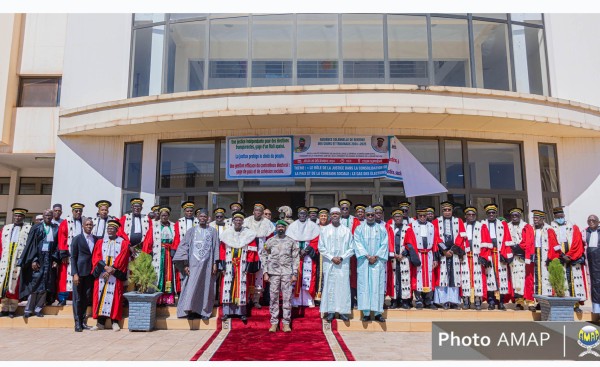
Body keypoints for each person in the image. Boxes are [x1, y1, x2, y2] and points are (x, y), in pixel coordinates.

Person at [173, 208, 219, 320]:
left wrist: (215, 263)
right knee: (191, 287)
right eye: (201, 216)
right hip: (193, 265)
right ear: (198, 218)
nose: (203, 218)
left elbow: (215, 247)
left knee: (206, 287)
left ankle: (204, 312)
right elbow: (183, 247)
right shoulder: (191, 231)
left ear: (208, 218)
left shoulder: (213, 231)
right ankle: (191, 311)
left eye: (205, 216)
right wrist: (185, 265)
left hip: (207, 265)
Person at [18, 209, 59, 318]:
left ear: (52, 216)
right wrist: (33, 259)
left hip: (49, 259)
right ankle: (28, 310)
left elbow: (57, 245)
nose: (48, 217)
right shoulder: (36, 228)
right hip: (38, 259)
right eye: (46, 215)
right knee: (35, 284)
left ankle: (38, 309)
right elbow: (31, 245)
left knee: (45, 285)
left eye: (50, 215)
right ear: (43, 216)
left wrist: (55, 259)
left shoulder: (55, 228)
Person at [219, 212, 260, 322]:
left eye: (240, 220)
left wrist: (248, 265)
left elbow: (252, 250)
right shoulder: (226, 234)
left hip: (242, 264)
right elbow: (222, 250)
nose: (238, 222)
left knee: (241, 287)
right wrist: (222, 266)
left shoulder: (249, 234)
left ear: (242, 222)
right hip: (229, 264)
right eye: (236, 220)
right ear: (233, 221)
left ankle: (241, 312)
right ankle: (226, 312)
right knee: (228, 287)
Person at [90, 220, 129, 331]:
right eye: (109, 229)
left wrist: (112, 269)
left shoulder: (123, 242)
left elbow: (123, 258)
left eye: (113, 229)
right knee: (100, 296)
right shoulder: (100, 242)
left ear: (117, 230)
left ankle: (115, 322)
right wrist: (105, 268)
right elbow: (96, 257)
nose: (110, 230)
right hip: (102, 272)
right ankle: (100, 323)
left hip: (115, 274)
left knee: (115, 297)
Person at [262, 220, 299, 332]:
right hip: (273, 273)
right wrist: (265, 272)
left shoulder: (291, 241)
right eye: (278, 226)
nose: (280, 228)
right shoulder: (270, 241)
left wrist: (295, 273)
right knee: (273, 298)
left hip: (287, 273)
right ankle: (274, 323)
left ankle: (286, 323)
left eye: (282, 227)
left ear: (285, 228)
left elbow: (296, 258)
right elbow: (264, 255)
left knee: (287, 298)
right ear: (276, 228)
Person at [318, 207, 354, 322]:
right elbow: (321, 247)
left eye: (337, 214)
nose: (335, 216)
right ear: (330, 215)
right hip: (329, 263)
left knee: (343, 287)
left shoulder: (346, 230)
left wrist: (342, 257)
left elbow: (352, 248)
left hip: (343, 264)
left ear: (340, 215)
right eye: (333, 214)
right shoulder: (324, 230)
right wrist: (331, 257)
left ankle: (343, 311)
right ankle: (331, 311)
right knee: (330, 286)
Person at [354, 206, 389, 322]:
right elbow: (357, 244)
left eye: (372, 215)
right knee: (364, 286)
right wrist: (367, 256)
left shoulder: (382, 228)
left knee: (377, 286)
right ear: (364, 216)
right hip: (364, 261)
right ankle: (366, 312)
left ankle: (378, 312)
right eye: (368, 215)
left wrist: (376, 256)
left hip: (377, 262)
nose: (370, 217)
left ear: (375, 216)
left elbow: (385, 244)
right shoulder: (359, 229)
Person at [550, 207, 587, 313]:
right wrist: (561, 255)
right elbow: (552, 243)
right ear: (554, 217)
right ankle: (563, 303)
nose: (560, 218)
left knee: (574, 281)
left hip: (573, 259)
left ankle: (576, 304)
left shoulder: (573, 226)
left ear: (564, 216)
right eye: (558, 217)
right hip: (560, 259)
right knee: (561, 280)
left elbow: (577, 242)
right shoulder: (551, 228)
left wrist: (570, 256)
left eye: (561, 216)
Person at [142, 206, 181, 305]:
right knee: (159, 274)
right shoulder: (154, 226)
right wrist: (147, 254)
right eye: (162, 215)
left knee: (169, 274)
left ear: (168, 216)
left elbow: (177, 239)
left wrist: (174, 250)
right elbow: (148, 240)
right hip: (158, 253)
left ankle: (168, 298)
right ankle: (158, 297)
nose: (164, 217)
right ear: (160, 215)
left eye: (166, 215)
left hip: (170, 253)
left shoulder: (173, 226)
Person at [479, 204, 513, 311]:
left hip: (500, 253)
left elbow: (507, 238)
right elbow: (480, 240)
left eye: (493, 213)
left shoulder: (502, 224)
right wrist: (484, 256)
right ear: (486, 214)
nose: (491, 215)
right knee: (490, 278)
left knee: (502, 277)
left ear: (496, 213)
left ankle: (501, 302)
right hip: (488, 254)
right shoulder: (482, 224)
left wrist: (506, 254)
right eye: (489, 213)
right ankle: (491, 301)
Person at [432, 201, 466, 310]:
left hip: (454, 253)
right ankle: (444, 301)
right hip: (442, 254)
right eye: (445, 210)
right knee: (443, 276)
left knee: (454, 277)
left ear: (452, 211)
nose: (447, 212)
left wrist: (452, 250)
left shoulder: (458, 221)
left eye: (449, 210)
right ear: (442, 211)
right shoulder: (436, 222)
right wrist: (444, 250)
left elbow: (461, 235)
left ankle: (454, 301)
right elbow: (436, 237)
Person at [0, 208, 32, 318]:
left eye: (20, 216)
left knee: (15, 284)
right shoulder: (6, 229)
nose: (17, 218)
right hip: (6, 260)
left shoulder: (28, 229)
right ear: (13, 217)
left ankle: (12, 310)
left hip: (18, 260)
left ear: (23, 217)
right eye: (16, 216)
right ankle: (4, 308)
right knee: (4, 284)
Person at [287, 207, 320, 308]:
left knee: (309, 277)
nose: (302, 215)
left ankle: (309, 300)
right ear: (298, 215)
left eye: (304, 214)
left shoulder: (313, 226)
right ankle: (295, 301)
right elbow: (289, 240)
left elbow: (316, 239)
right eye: (300, 214)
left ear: (307, 215)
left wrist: (306, 251)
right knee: (295, 276)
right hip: (295, 256)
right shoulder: (292, 226)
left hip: (308, 255)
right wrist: (297, 250)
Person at [243, 203, 275, 308]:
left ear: (262, 213)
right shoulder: (246, 222)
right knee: (247, 276)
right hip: (248, 254)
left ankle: (256, 300)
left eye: (260, 211)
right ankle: (246, 298)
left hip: (262, 253)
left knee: (259, 277)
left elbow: (270, 239)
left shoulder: (267, 223)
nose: (258, 212)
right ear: (253, 211)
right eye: (256, 210)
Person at [386, 209, 418, 309]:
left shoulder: (408, 228)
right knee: (394, 279)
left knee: (405, 278)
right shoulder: (389, 228)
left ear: (402, 218)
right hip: (393, 258)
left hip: (404, 258)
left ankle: (405, 301)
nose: (398, 218)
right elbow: (386, 242)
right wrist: (394, 254)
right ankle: (394, 300)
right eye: (396, 217)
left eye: (400, 216)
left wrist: (403, 254)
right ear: (393, 218)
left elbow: (411, 244)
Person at [410, 208, 441, 309]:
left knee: (429, 278)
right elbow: (409, 241)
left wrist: (435, 258)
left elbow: (436, 242)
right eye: (420, 216)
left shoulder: (431, 226)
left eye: (424, 215)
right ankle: (419, 300)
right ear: (417, 216)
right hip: (418, 254)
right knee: (418, 278)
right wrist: (413, 256)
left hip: (429, 255)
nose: (423, 217)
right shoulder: (412, 225)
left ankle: (428, 300)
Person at [530, 210, 561, 311]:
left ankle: (546, 302)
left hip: (546, 256)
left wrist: (550, 257)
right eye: (534, 218)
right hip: (535, 256)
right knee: (536, 279)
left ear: (543, 219)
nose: (535, 220)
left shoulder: (549, 229)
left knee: (545, 279)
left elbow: (554, 244)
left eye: (537, 218)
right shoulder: (531, 229)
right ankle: (537, 301)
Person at [57, 202, 85, 306]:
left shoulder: (84, 221)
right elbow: (62, 237)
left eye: (80, 211)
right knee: (65, 275)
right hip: (69, 254)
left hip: (81, 254)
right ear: (72, 211)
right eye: (76, 211)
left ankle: (76, 296)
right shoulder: (66, 222)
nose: (78, 212)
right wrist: (63, 253)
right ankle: (63, 297)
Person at [70, 217, 96, 331]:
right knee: (77, 299)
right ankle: (77, 323)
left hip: (90, 273)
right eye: (87, 225)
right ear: (83, 226)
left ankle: (83, 321)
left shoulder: (96, 239)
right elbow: (73, 257)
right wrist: (74, 273)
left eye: (91, 225)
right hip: (79, 273)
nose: (89, 226)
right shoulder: (77, 239)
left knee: (86, 298)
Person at [506, 208, 535, 310]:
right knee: (515, 279)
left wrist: (519, 247)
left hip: (523, 256)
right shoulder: (507, 226)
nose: (514, 217)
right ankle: (519, 302)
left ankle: (530, 301)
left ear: (520, 216)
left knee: (527, 279)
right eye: (512, 216)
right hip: (513, 257)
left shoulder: (527, 226)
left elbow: (529, 240)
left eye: (516, 215)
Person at [462, 207, 486, 310]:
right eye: (469, 215)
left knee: (477, 278)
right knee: (465, 278)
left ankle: (477, 300)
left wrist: (484, 255)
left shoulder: (481, 226)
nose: (471, 216)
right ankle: (466, 300)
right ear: (465, 216)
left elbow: (485, 241)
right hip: (465, 256)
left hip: (477, 256)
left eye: (473, 215)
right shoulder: (462, 226)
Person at [339, 199, 360, 310]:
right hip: (340, 253)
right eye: (343, 208)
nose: (345, 210)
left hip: (353, 254)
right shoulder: (337, 220)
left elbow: (358, 236)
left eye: (347, 208)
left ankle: (353, 298)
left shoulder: (355, 220)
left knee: (353, 276)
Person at [583, 215, 600, 315]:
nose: (591, 222)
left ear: (598, 222)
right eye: (589, 220)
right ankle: (596, 310)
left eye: (593, 220)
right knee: (594, 285)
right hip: (591, 264)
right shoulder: (584, 232)